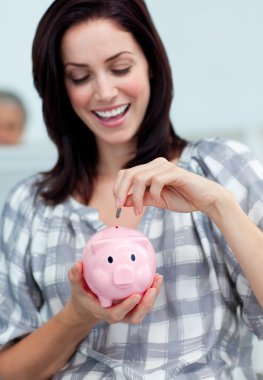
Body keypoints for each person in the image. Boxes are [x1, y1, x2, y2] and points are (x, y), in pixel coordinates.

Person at [0, 0, 262, 379]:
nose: (105, 92)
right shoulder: (31, 206)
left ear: (151, 64)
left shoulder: (222, 168)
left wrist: (218, 204)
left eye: (120, 68)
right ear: (59, 87)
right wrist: (78, 315)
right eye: (79, 77)